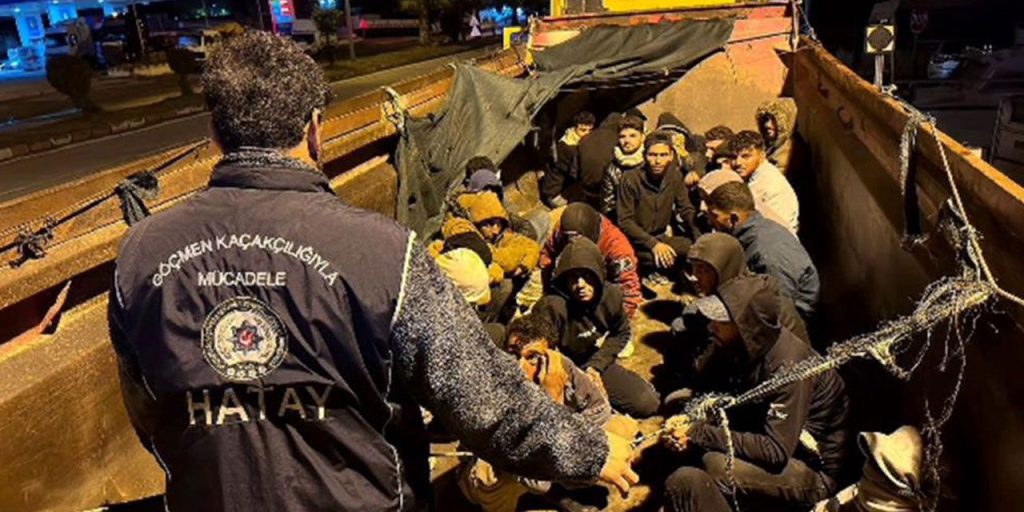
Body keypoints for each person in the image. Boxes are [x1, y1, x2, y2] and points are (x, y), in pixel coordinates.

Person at [107, 32, 637, 512]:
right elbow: (483, 400)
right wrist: (588, 452)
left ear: (216, 134)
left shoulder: (139, 253)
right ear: (315, 128)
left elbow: (151, 416)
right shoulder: (384, 253)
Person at [662, 277, 849, 512]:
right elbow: (719, 394)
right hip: (772, 432)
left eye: (722, 321)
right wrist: (692, 421)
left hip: (813, 469)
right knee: (680, 409)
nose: (712, 326)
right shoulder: (744, 346)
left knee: (717, 465)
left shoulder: (789, 368)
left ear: (746, 325)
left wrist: (699, 432)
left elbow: (775, 451)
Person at [459, 314, 615, 512]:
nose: (520, 367)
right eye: (513, 354)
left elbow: (601, 411)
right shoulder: (495, 387)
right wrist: (553, 399)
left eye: (532, 357)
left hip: (542, 461)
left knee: (613, 435)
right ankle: (554, 495)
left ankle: (560, 492)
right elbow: (535, 479)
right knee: (489, 478)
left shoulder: (562, 367)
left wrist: (576, 434)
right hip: (495, 463)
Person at [534, 238, 660, 418]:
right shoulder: (552, 307)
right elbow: (540, 353)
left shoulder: (611, 296)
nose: (580, 284)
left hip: (588, 358)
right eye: (573, 278)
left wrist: (595, 367)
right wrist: (574, 378)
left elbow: (621, 333)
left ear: (598, 275)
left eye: (586, 276)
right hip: (558, 368)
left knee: (647, 403)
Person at [705, 181, 819, 318]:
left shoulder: (768, 252)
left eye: (715, 215)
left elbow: (778, 311)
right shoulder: (754, 233)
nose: (710, 221)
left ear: (734, 218)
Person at [616, 132, 699, 285]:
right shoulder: (630, 179)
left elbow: (686, 209)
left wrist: (699, 238)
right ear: (644, 155)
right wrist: (653, 244)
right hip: (637, 241)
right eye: (652, 155)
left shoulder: (674, 176)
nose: (658, 161)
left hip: (661, 236)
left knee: (692, 250)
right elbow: (625, 221)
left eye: (663, 155)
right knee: (649, 258)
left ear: (671, 156)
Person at [537, 203, 642, 320]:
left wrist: (620, 321)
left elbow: (629, 288)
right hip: (574, 283)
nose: (573, 241)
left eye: (578, 237)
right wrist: (545, 289)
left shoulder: (616, 247)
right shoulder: (562, 232)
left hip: (601, 286)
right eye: (569, 238)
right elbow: (547, 256)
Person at [732, 130, 800, 234]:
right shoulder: (753, 178)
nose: (738, 162)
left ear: (762, 155)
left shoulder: (770, 183)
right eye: (734, 157)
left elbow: (778, 229)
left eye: (746, 156)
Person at [468, 191, 542, 280]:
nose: (495, 231)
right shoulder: (471, 240)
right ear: (477, 223)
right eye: (489, 225)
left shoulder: (504, 237)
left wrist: (523, 267)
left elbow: (532, 246)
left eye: (498, 224)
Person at [543, 111, 596, 208]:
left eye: (590, 130)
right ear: (575, 128)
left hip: (558, 186)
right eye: (583, 130)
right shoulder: (569, 149)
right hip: (555, 195)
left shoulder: (568, 135)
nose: (587, 134)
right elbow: (579, 175)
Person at [600, 115, 647, 220]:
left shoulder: (650, 162)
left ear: (642, 137)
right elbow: (607, 206)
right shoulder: (612, 169)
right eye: (622, 136)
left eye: (632, 136)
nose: (627, 140)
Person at [575, 113, 624, 208]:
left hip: (586, 190)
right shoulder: (618, 141)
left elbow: (574, 170)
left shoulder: (585, 139)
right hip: (606, 194)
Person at [756, 98, 798, 174]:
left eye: (773, 120)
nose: (767, 125)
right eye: (766, 120)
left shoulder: (789, 152)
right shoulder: (770, 146)